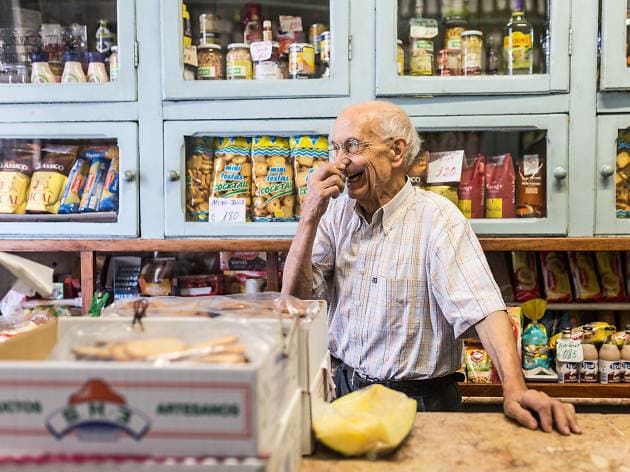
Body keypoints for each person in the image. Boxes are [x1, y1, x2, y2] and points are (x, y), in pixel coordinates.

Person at [281, 100, 581, 435]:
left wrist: (514, 389)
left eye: (352, 146)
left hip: (422, 404)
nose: (339, 161)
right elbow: (296, 303)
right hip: (344, 393)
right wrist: (309, 215)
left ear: (396, 152)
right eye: (335, 148)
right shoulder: (334, 214)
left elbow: (482, 308)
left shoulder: (438, 218)